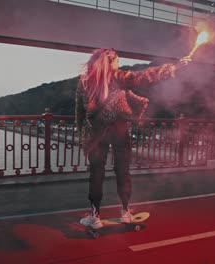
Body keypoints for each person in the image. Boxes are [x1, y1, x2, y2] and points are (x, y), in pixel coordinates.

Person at [75, 48, 190, 229]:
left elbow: (80, 112)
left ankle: (95, 217)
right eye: (117, 60)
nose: (119, 63)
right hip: (119, 129)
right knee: (123, 171)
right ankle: (126, 212)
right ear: (111, 62)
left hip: (96, 132)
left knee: (96, 174)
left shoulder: (85, 82)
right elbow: (145, 76)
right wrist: (174, 67)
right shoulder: (120, 76)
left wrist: (83, 133)